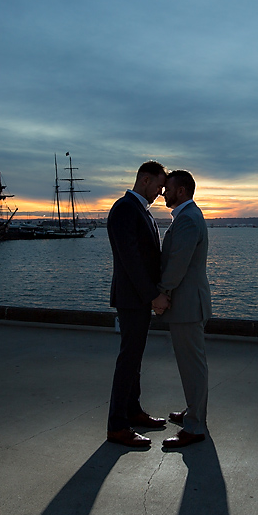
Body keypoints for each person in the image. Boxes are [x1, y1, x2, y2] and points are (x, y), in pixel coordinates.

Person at [105, 161, 170, 447]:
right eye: (158, 185)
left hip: (136, 299)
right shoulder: (124, 209)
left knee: (134, 358)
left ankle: (133, 411)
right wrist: (152, 295)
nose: (160, 191)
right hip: (132, 299)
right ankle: (117, 425)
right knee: (128, 359)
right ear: (144, 180)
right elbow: (130, 260)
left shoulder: (139, 211)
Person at [155, 169, 212, 448]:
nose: (163, 193)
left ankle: (195, 426)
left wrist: (162, 293)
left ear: (181, 191)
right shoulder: (188, 217)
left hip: (188, 305)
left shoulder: (188, 219)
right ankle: (194, 413)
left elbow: (178, 262)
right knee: (192, 364)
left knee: (192, 366)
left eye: (167, 189)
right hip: (190, 304)